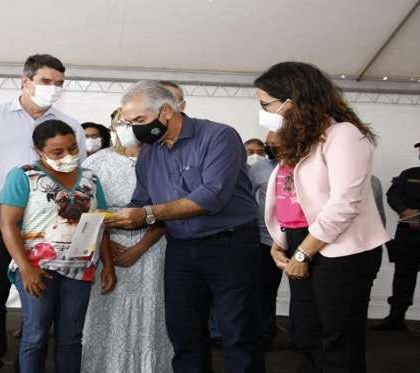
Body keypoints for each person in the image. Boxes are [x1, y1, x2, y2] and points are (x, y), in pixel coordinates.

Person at [108, 80, 264, 373]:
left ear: (166, 111)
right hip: (180, 250)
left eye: (140, 120)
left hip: (230, 247)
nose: (134, 129)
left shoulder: (218, 136)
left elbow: (211, 197)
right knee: (184, 333)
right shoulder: (149, 153)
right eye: (129, 123)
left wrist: (146, 214)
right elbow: (141, 202)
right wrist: (101, 221)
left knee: (238, 332)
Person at [258, 62, 389, 372]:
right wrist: (281, 242)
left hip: (341, 250)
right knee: (306, 336)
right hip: (303, 241)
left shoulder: (343, 134)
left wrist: (303, 253)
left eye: (266, 104)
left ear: (292, 100)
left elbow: (343, 203)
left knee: (338, 342)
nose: (262, 110)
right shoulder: (301, 139)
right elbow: (291, 198)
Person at [0, 53, 86, 373]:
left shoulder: (70, 126)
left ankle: (25, 366)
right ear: (25, 80)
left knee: (39, 300)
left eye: (59, 84)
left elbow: (75, 172)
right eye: (46, 82)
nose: (53, 89)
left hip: (49, 223)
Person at [0, 120, 116, 373]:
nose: (69, 156)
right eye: (57, 152)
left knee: (72, 338)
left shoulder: (91, 178)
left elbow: (100, 223)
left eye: (73, 148)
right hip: (37, 268)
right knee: (36, 336)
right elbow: (8, 225)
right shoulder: (23, 176)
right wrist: (25, 268)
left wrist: (108, 264)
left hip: (80, 269)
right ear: (38, 150)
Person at [81, 109, 174, 373]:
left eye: (131, 122)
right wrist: (105, 244)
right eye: (119, 122)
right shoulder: (95, 163)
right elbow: (85, 211)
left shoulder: (163, 159)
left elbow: (171, 208)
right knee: (106, 310)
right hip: (104, 247)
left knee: (151, 313)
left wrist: (140, 247)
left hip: (154, 246)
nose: (125, 127)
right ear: (111, 126)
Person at [372, 137, 420, 330]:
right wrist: (405, 211)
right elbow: (393, 194)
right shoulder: (409, 174)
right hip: (407, 233)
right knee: (403, 275)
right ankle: (396, 317)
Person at [248, 132, 282, 351]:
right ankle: (264, 335)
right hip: (265, 240)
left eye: (275, 145)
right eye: (268, 144)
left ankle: (303, 336)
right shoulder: (257, 170)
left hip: (302, 239)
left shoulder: (307, 165)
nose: (271, 149)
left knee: (305, 293)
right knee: (263, 291)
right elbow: (248, 200)